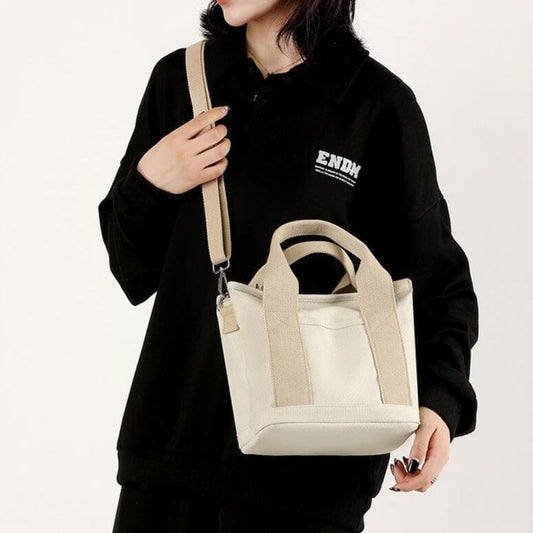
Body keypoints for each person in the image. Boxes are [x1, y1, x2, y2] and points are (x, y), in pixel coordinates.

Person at [98, 1, 479, 531]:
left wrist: (440, 400)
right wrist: (151, 181)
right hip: (168, 459)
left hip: (310, 482)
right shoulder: (180, 81)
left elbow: (438, 280)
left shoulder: (377, 105)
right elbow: (131, 269)